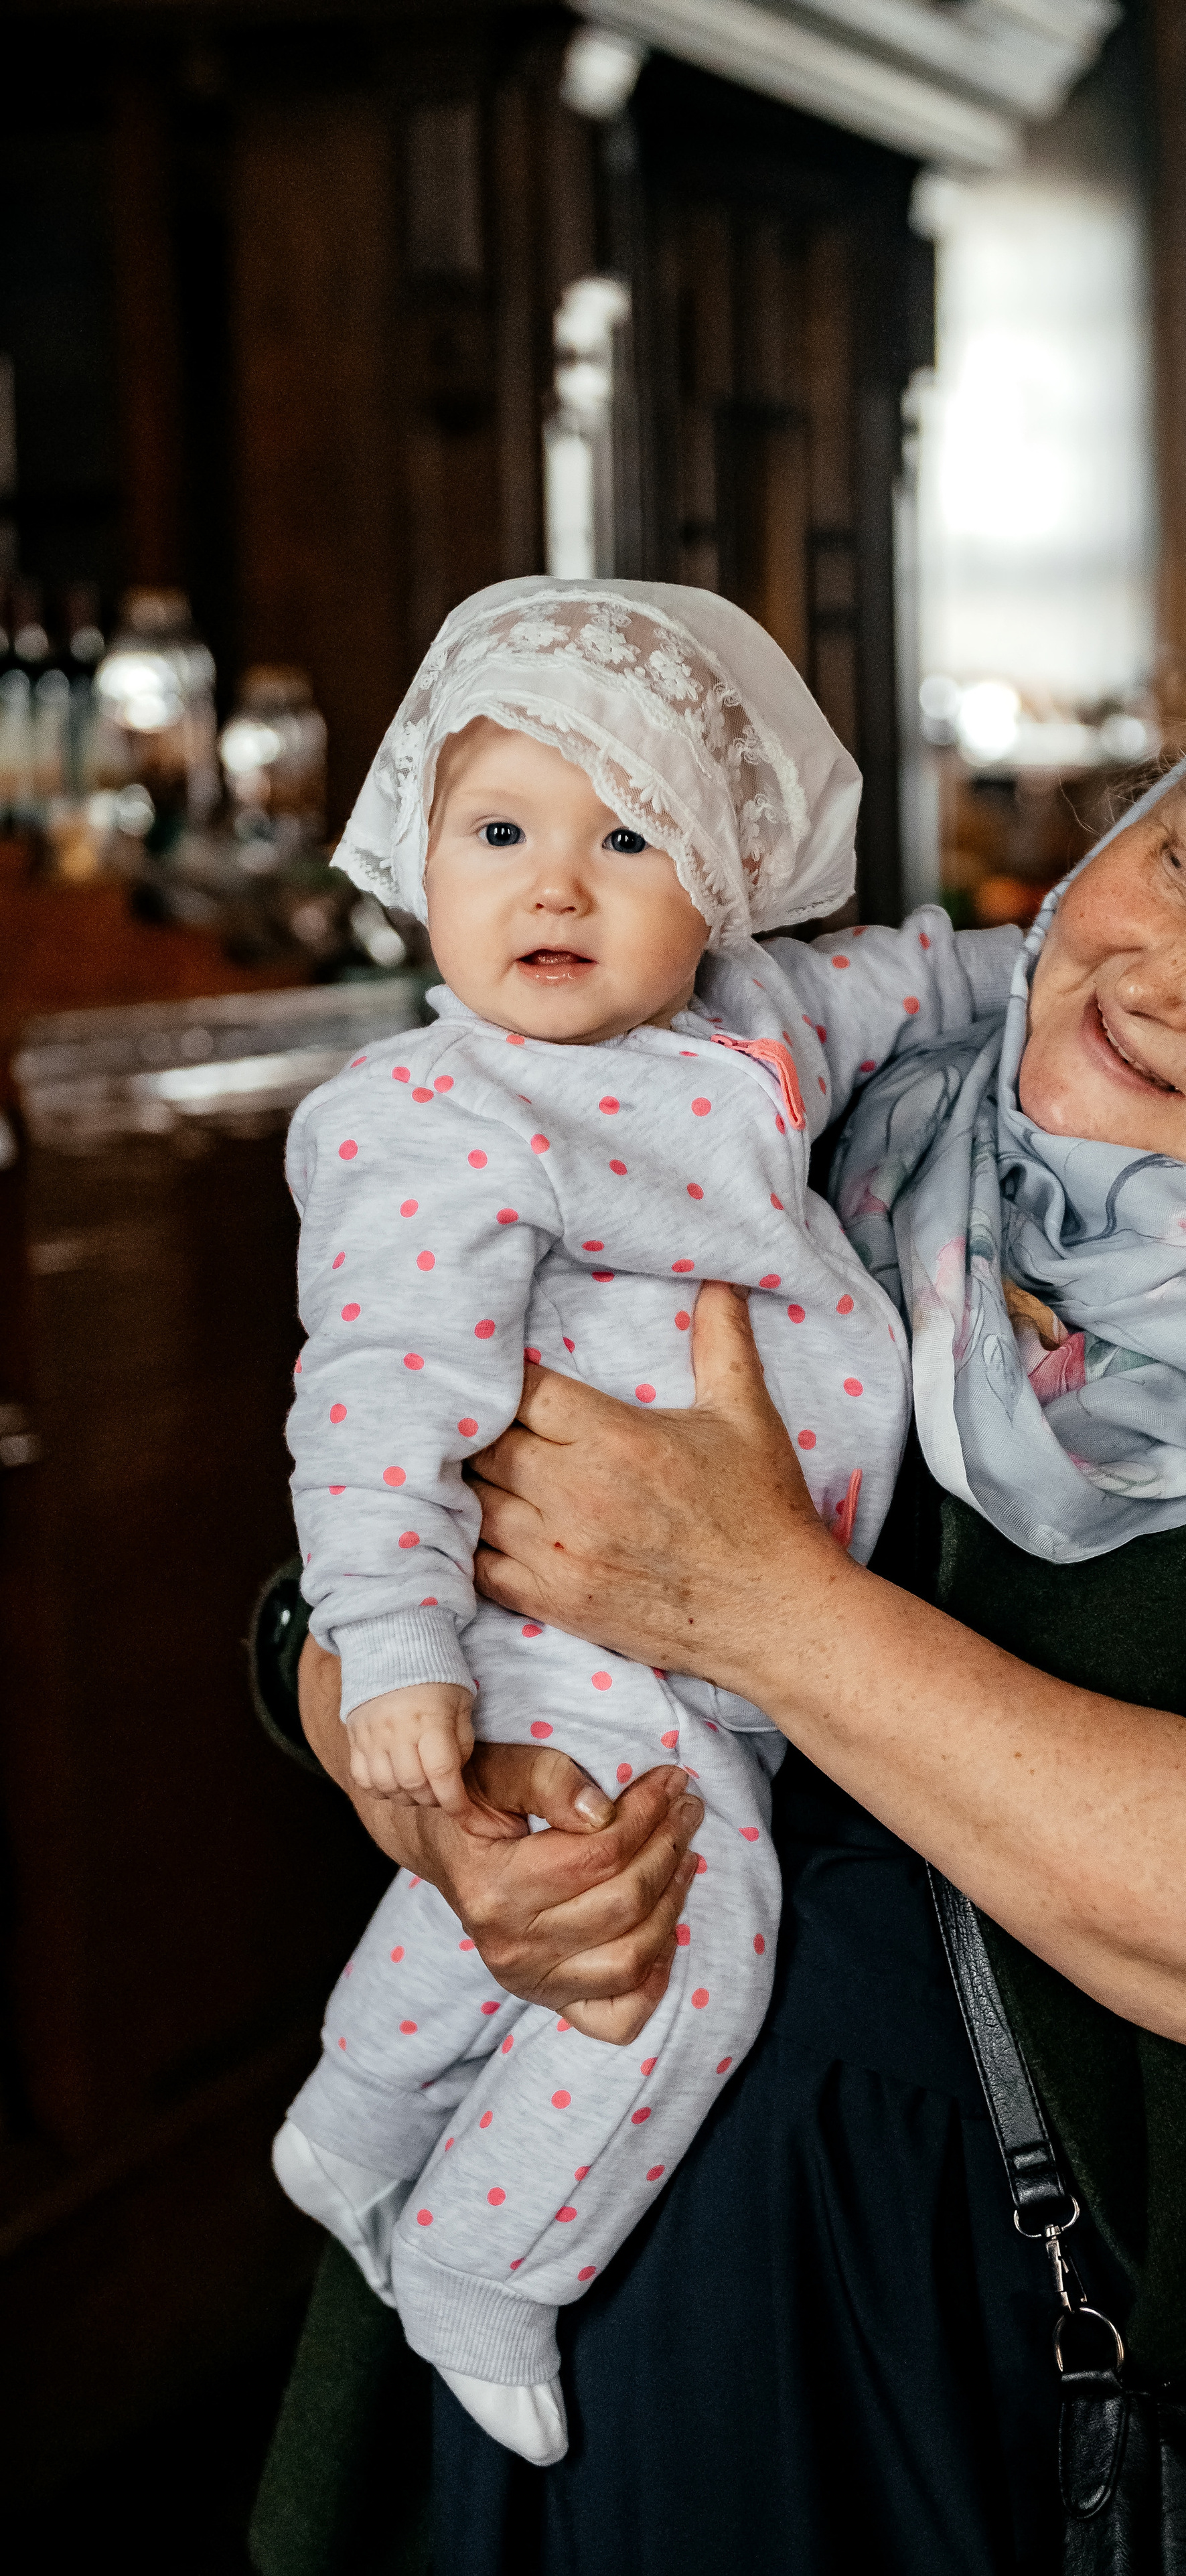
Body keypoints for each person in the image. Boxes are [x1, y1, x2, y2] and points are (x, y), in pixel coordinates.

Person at [256, 612, 1186, 2575]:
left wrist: (765, 1608)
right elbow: (372, 1523)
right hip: (566, 2306)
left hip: (1035, 2399)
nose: (1159, 973)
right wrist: (422, 1790)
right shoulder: (806, 1099)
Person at [269, 578, 1019, 2468]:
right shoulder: (444, 1119)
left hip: (719, 1615)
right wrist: (397, 1648)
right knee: (689, 1921)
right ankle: (480, 2254)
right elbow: (375, 1401)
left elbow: (930, 979)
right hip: (578, 1606)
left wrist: (1067, 966)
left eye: (629, 842)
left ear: (728, 886)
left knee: (525, 1884)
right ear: (418, 852)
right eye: (500, 832)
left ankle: (349, 2130)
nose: (556, 888)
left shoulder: (764, 1022)